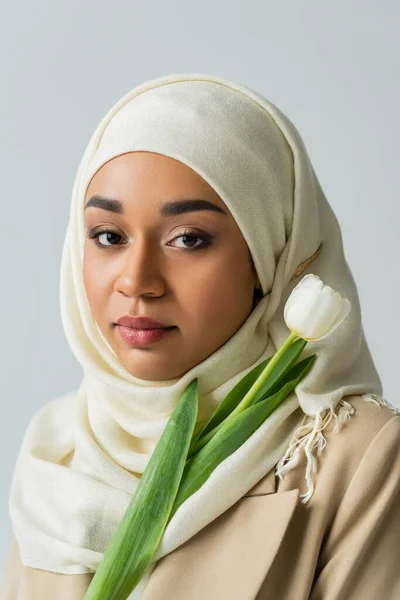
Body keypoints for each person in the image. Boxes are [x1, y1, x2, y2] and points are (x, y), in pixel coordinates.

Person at [1, 73, 399, 600]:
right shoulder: (58, 450)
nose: (137, 280)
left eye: (188, 239)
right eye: (108, 236)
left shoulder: (358, 454)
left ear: (268, 257)